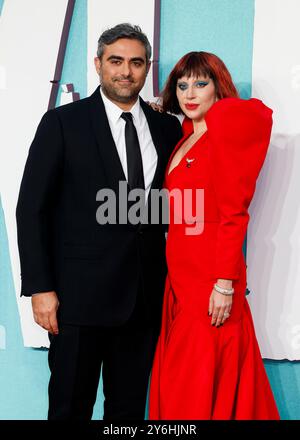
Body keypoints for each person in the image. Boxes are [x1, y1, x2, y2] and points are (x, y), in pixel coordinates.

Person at [16, 23, 182, 420]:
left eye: (136, 62)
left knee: (126, 413)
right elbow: (31, 208)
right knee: (70, 407)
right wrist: (41, 288)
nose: (126, 71)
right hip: (76, 301)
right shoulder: (62, 123)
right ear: (98, 64)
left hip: (143, 300)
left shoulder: (166, 127)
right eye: (116, 61)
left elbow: (162, 207)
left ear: (147, 68)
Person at [148, 51, 280, 420]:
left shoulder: (225, 130)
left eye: (201, 83)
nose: (190, 93)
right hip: (181, 276)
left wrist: (225, 282)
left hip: (211, 277)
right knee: (186, 377)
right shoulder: (185, 137)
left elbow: (234, 214)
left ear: (218, 88)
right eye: (182, 84)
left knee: (196, 378)